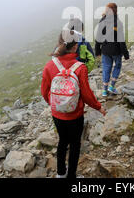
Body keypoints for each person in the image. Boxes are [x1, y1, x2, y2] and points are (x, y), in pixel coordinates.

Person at [41, 30, 106, 179]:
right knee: (75, 144)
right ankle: (71, 175)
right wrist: (99, 107)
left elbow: (44, 91)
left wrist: (55, 105)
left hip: (57, 114)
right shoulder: (80, 67)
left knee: (62, 142)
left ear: (59, 44)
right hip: (75, 115)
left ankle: (60, 173)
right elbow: (87, 95)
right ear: (76, 46)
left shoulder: (50, 66)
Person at [95, 3, 130, 97]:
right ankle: (112, 86)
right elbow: (121, 40)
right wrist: (126, 53)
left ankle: (104, 91)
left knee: (106, 68)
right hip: (116, 50)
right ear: (115, 10)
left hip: (105, 50)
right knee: (117, 67)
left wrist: (97, 50)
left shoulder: (102, 21)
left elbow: (98, 37)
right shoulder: (118, 22)